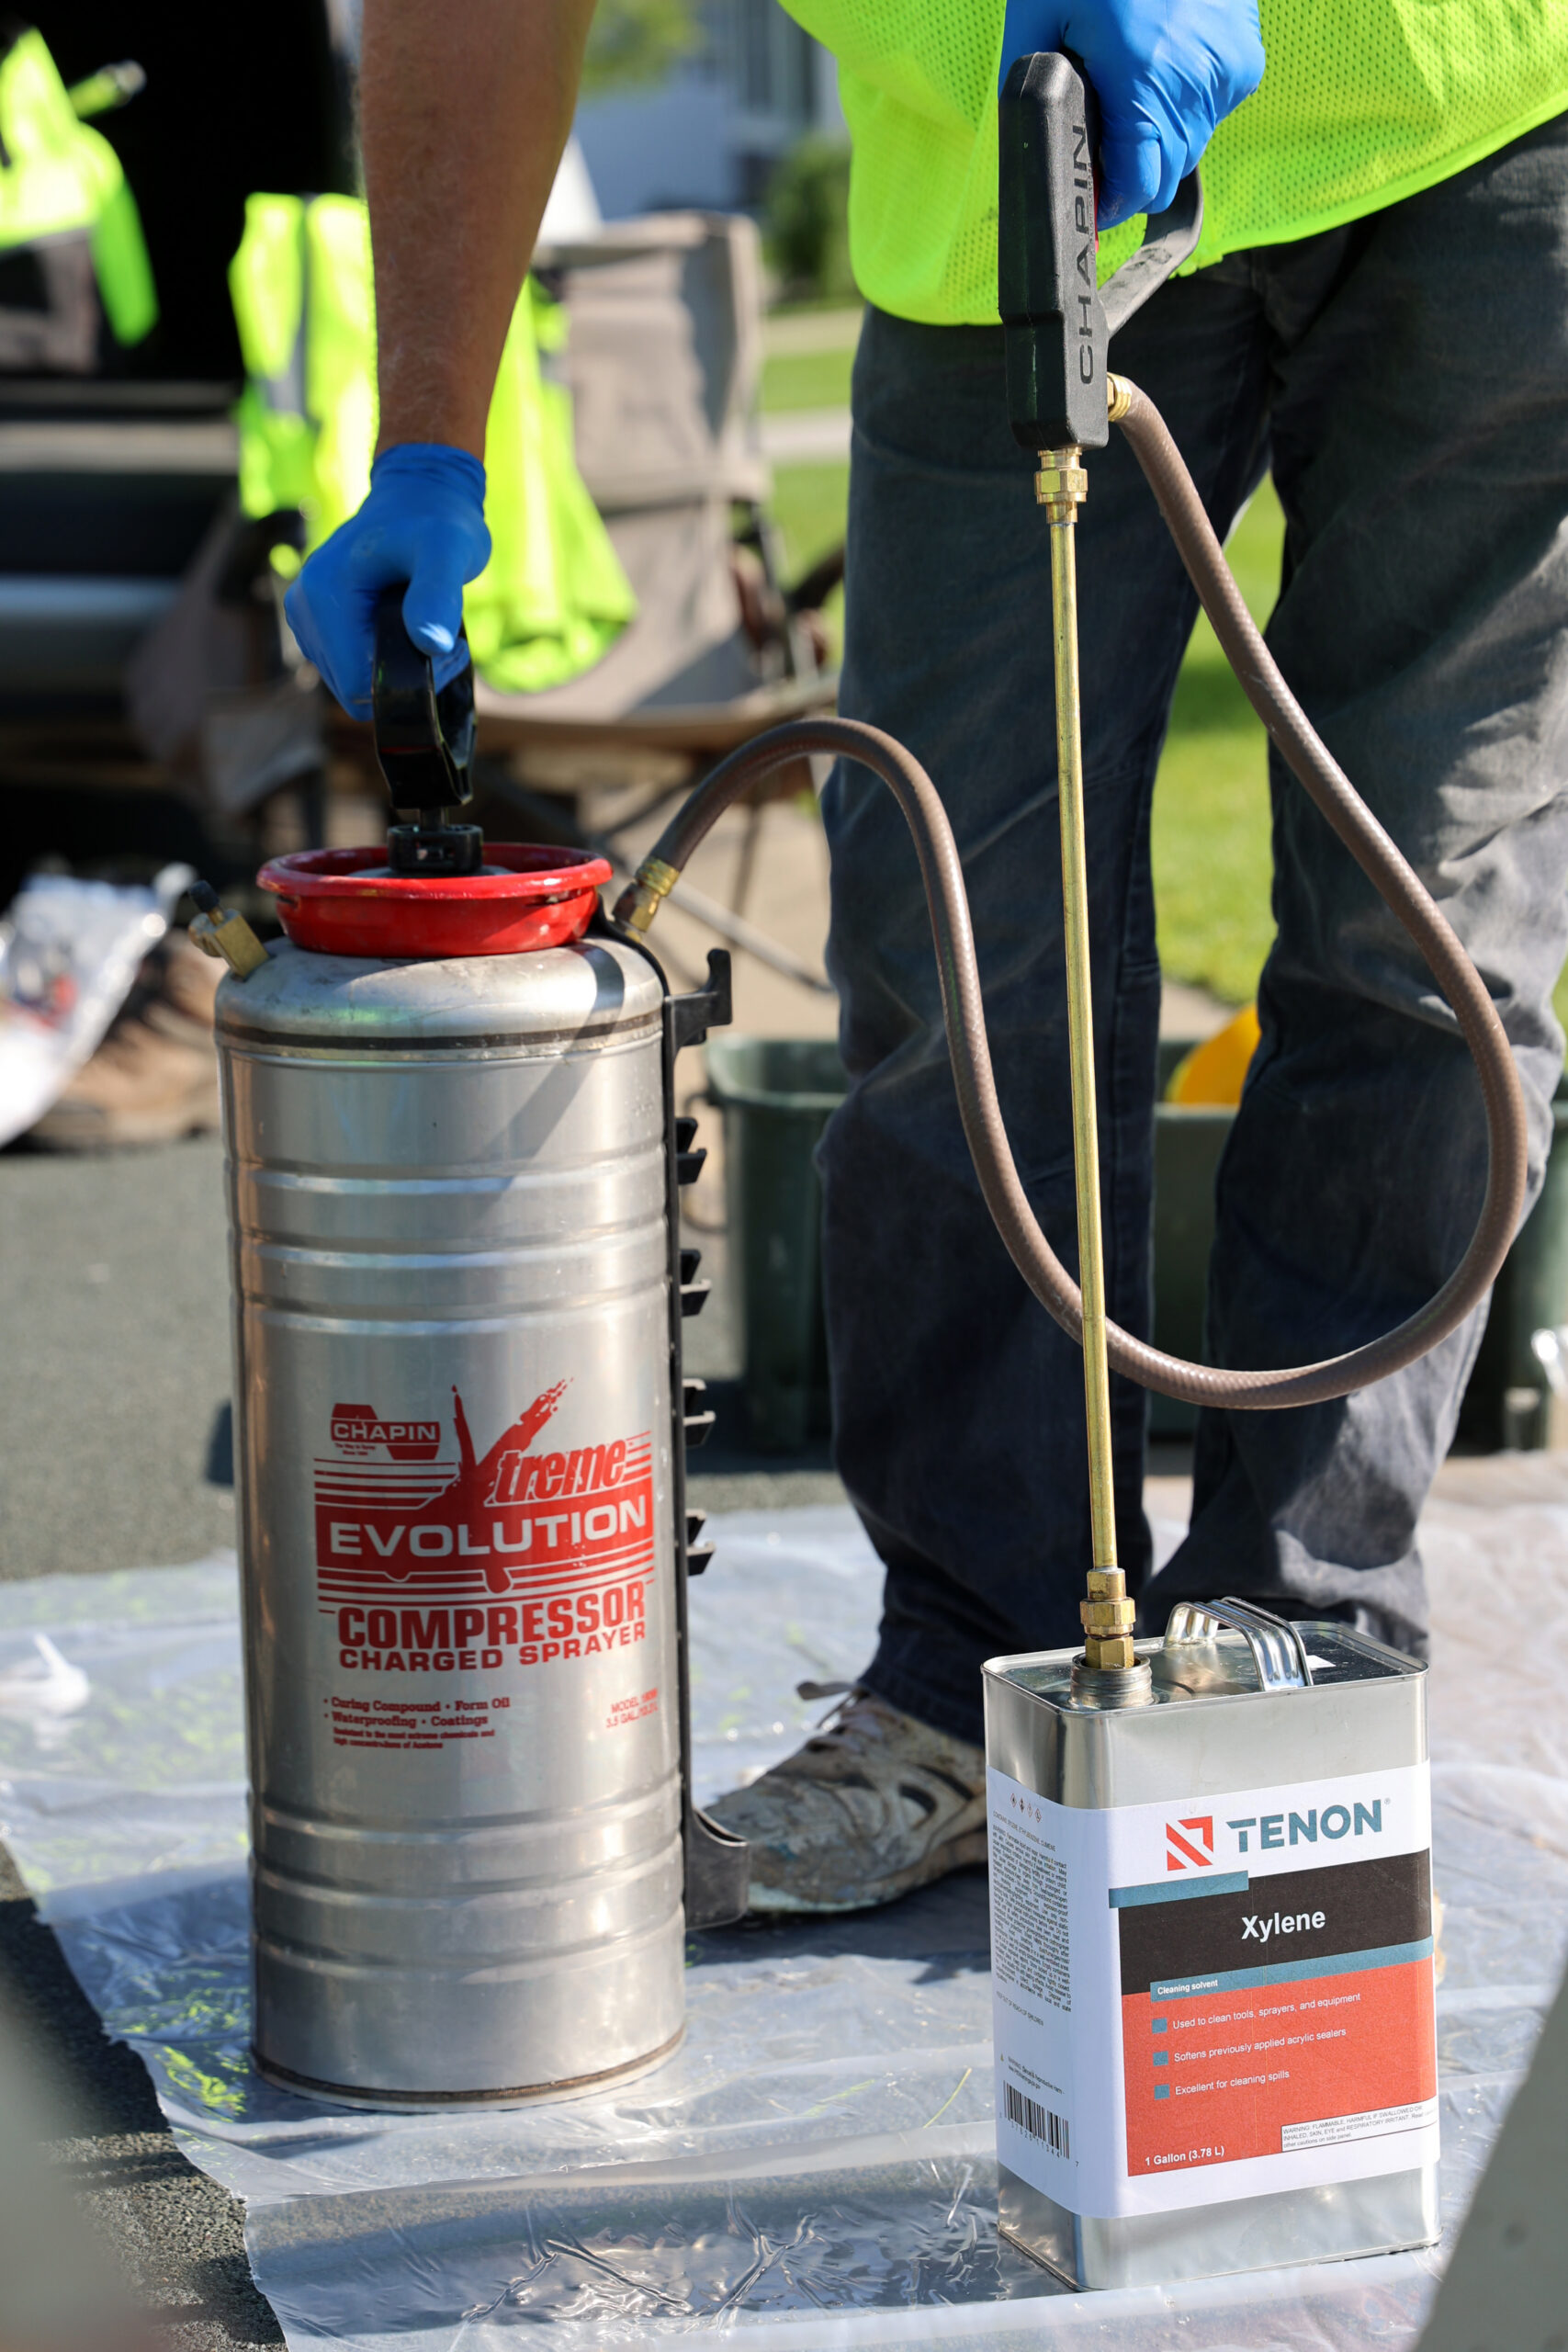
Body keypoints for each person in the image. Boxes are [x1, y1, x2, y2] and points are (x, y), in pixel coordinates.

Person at [287, 0, 1568, 1915]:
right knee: (949, 937)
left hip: (1478, 115)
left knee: (1420, 929)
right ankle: (974, 1675)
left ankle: (1290, 1660)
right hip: (1002, 168)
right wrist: (426, 443)